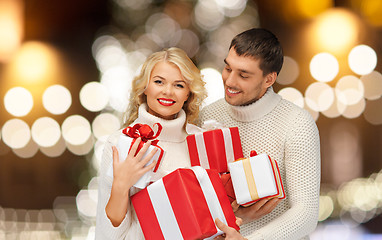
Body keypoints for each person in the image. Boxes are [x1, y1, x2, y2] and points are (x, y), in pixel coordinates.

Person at [200, 28, 321, 239]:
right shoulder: (207, 116)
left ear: (269, 79)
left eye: (243, 75)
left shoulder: (297, 123)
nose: (229, 81)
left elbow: (306, 212)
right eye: (228, 68)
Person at [95, 47, 207, 239]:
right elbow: (108, 230)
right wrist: (121, 186)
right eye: (158, 82)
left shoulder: (201, 141)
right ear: (145, 87)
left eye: (179, 85)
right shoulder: (120, 142)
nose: (168, 91)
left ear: (188, 93)